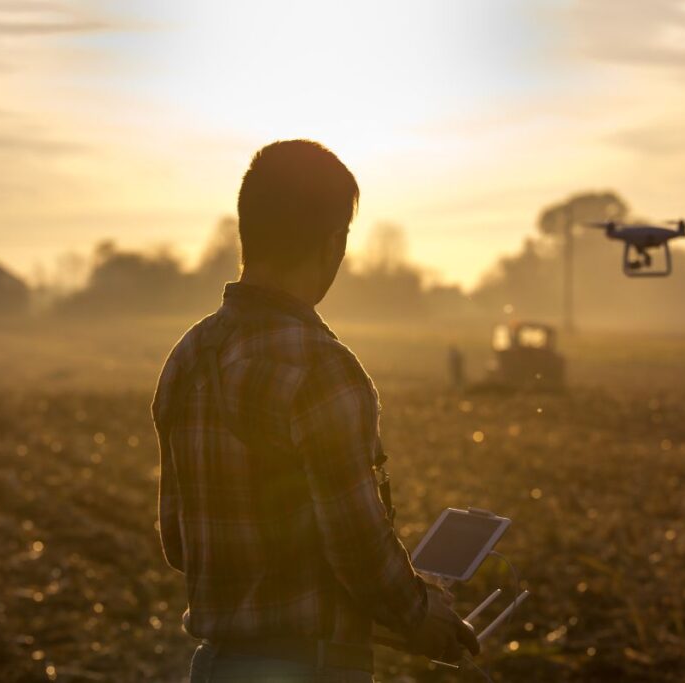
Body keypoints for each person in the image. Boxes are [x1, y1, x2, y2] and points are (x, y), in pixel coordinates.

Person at [152, 140, 479, 682]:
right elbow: (358, 551)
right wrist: (421, 615)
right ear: (334, 243)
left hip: (215, 667)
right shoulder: (322, 369)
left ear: (246, 233)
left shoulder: (188, 357)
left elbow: (179, 543)